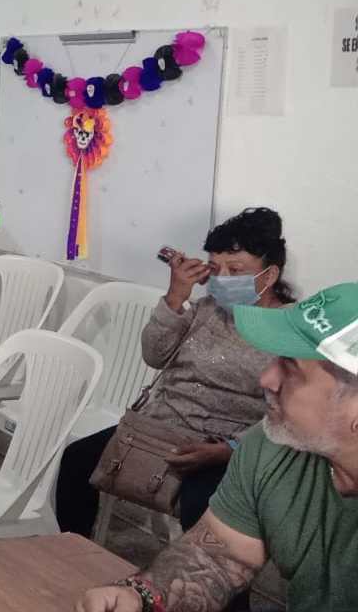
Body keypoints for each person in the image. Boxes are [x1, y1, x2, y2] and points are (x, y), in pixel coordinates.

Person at [78, 282, 358, 612]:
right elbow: (219, 554)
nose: (266, 379)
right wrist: (143, 596)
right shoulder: (271, 445)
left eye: (291, 368)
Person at [56, 207, 294, 538]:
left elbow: (289, 415)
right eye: (215, 268)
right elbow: (154, 355)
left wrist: (227, 450)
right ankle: (74, 552)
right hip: (160, 428)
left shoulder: (291, 329)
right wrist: (175, 298)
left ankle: (201, 571)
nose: (222, 279)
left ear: (269, 275)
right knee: (77, 460)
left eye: (236, 270)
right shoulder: (206, 310)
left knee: (204, 507)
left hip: (221, 445)